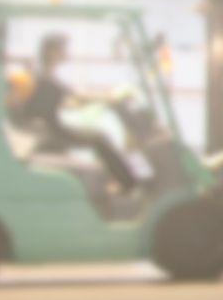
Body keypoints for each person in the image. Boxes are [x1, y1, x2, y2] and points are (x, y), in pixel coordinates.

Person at [21, 33, 139, 194]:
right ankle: (129, 184)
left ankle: (121, 182)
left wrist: (94, 101)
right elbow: (76, 96)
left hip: (49, 126)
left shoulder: (45, 73)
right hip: (52, 130)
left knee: (97, 134)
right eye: (62, 49)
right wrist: (111, 98)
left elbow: (64, 100)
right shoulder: (45, 75)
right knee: (99, 138)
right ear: (50, 52)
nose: (66, 53)